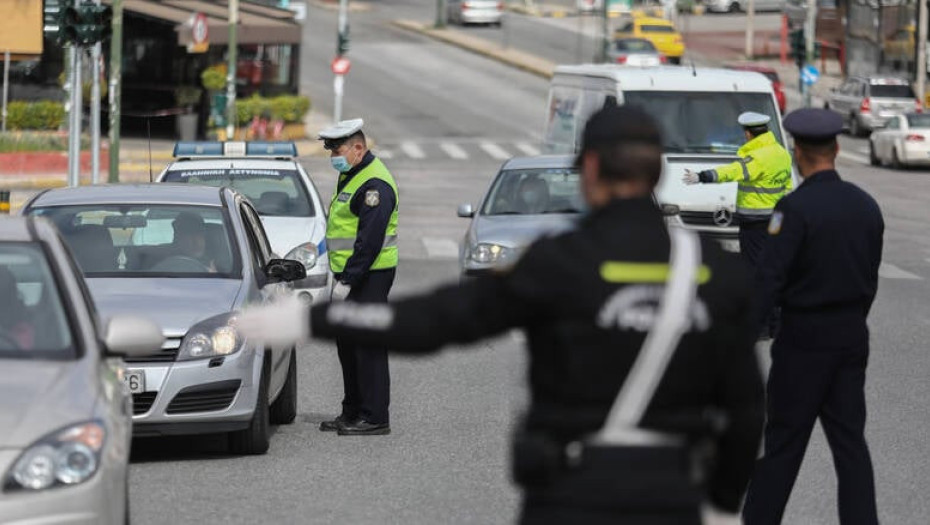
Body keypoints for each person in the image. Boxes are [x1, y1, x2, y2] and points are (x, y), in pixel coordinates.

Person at [239, 106, 764, 523]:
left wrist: (313, 321)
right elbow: (746, 410)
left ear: (591, 170)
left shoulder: (560, 262)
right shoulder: (718, 273)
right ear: (657, 172)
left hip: (570, 492)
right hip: (674, 494)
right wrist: (721, 501)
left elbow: (439, 320)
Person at [741, 108, 883, 525]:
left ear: (797, 153)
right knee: (850, 445)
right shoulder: (866, 207)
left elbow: (769, 280)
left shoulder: (794, 210)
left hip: (802, 341)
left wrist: (740, 339)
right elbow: (870, 278)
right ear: (837, 149)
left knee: (782, 444)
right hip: (850, 337)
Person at [319, 118, 399, 436]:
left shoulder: (374, 185)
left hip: (370, 277)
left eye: (337, 150)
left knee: (367, 347)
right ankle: (352, 411)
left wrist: (348, 281)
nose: (333, 157)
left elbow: (369, 241)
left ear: (358, 148)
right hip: (351, 275)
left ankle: (375, 416)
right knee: (348, 346)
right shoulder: (351, 173)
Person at [682, 111, 793, 267]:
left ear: (748, 134)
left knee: (753, 263)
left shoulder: (758, 157)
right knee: (772, 257)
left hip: (755, 222)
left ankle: (756, 290)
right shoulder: (782, 153)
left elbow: (733, 171)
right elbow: (788, 187)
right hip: (777, 218)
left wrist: (703, 176)